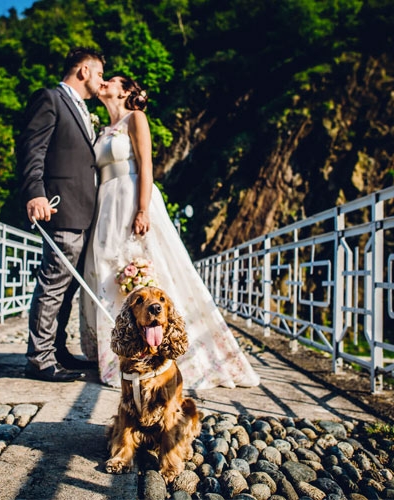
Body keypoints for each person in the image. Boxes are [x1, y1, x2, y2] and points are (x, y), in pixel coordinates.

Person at [80, 76, 260, 390]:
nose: (104, 82)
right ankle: (118, 357)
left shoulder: (135, 119)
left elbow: (146, 165)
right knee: (108, 275)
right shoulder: (101, 131)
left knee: (152, 269)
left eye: (112, 80)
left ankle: (173, 352)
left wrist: (142, 209)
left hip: (131, 195)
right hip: (105, 205)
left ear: (126, 91)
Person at [18, 47, 105, 382]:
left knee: (66, 288)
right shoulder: (50, 98)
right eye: (98, 74)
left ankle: (57, 349)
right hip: (60, 206)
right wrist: (35, 193)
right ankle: (39, 360)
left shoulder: (82, 108)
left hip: (83, 210)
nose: (100, 81)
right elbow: (32, 148)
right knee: (53, 284)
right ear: (83, 70)